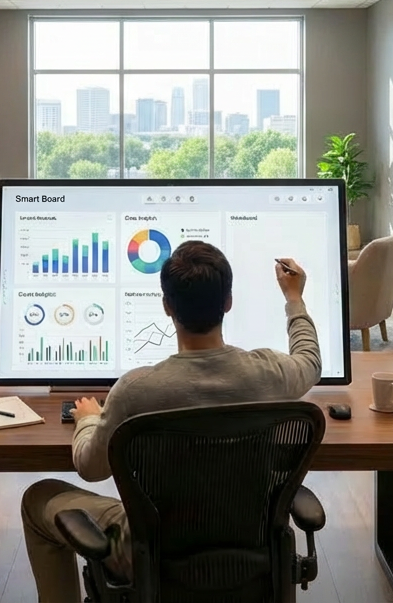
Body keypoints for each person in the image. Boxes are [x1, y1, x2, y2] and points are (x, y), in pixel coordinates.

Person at [21, 240, 322, 603]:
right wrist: (294, 298)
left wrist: (88, 420)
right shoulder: (270, 373)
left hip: (150, 554)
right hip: (252, 553)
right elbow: (309, 360)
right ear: (228, 302)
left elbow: (90, 466)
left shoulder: (136, 390)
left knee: (39, 497)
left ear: (167, 306)